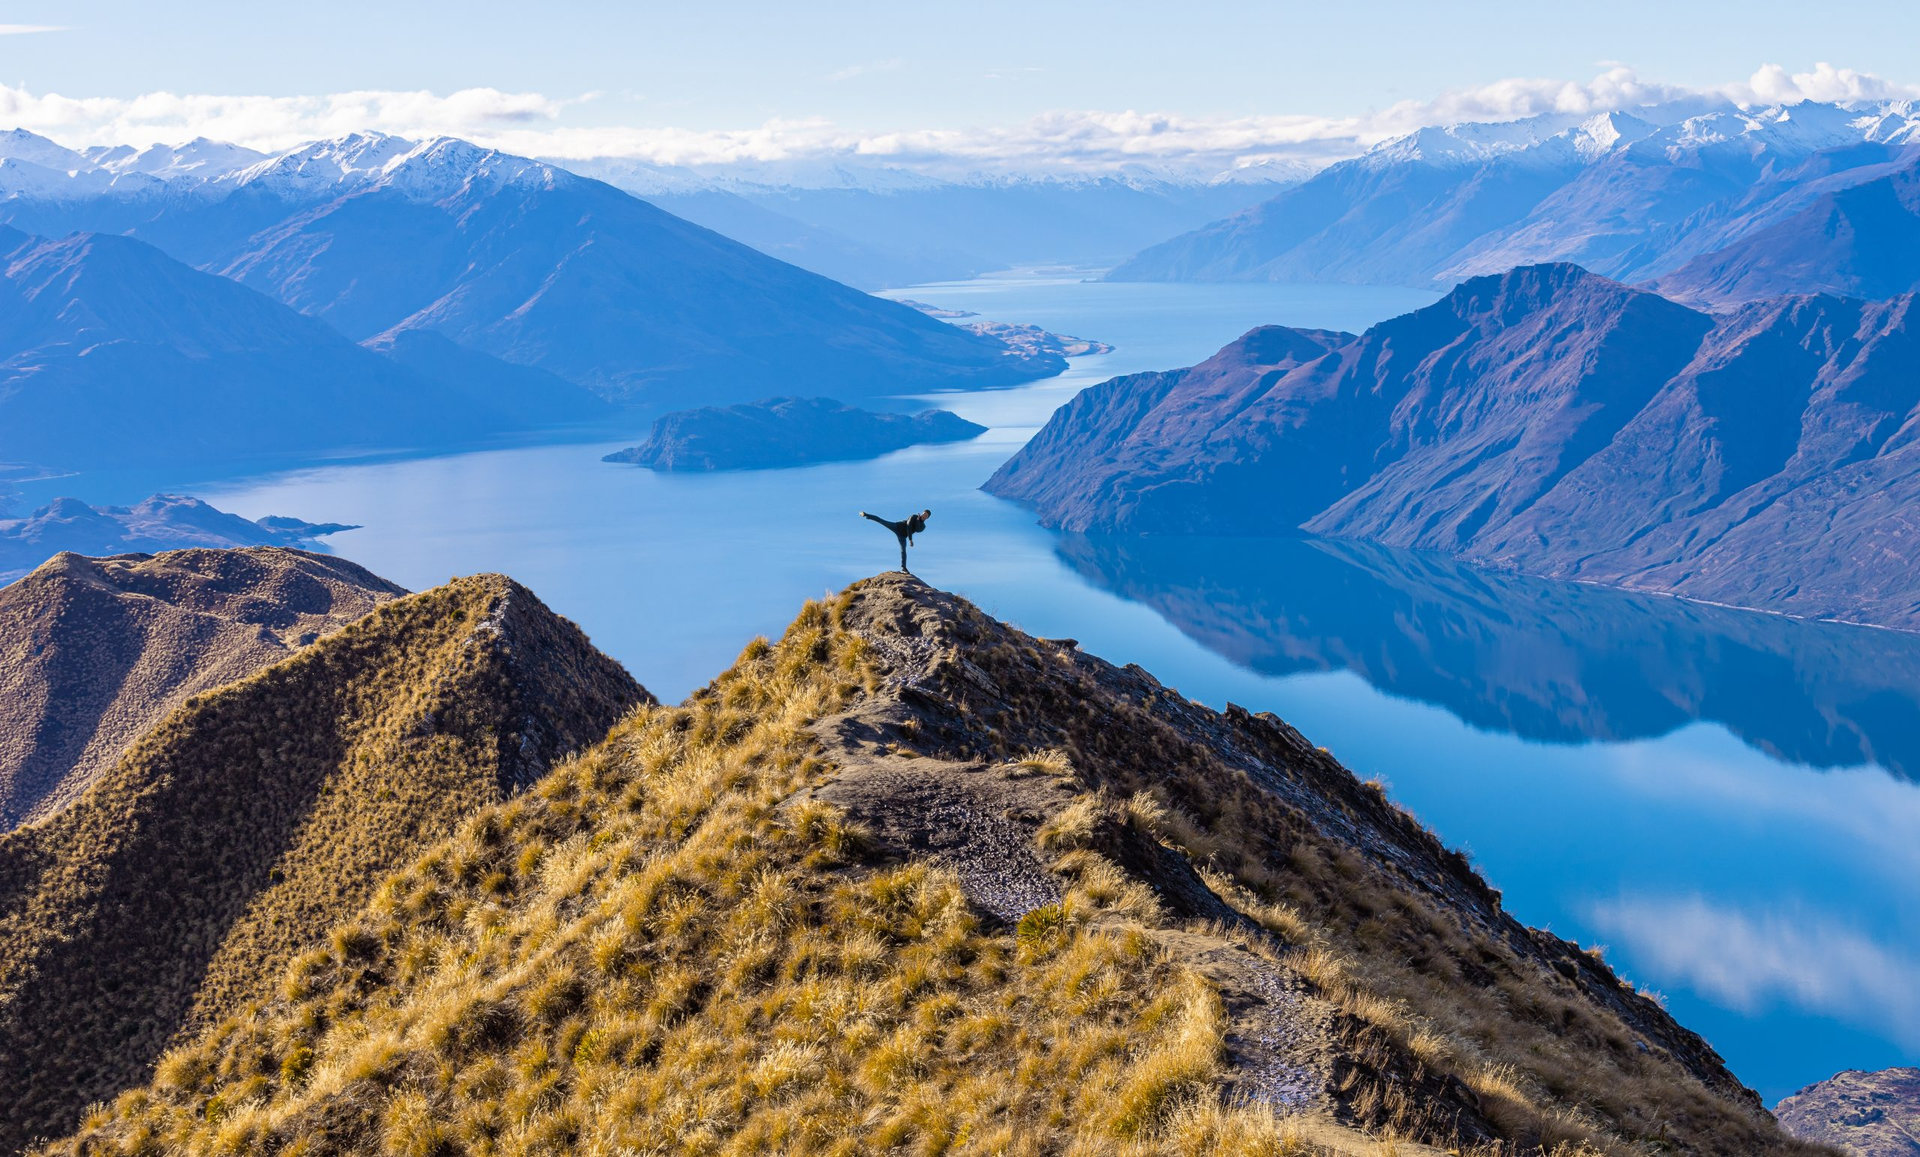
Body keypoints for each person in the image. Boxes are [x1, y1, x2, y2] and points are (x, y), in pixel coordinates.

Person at [860, 509, 931, 573]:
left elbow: (918, 529)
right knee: (882, 521)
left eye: (926, 515)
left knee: (903, 550)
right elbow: (908, 526)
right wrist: (910, 539)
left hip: (902, 536)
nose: (924, 516)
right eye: (923, 514)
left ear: (927, 518)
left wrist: (918, 521)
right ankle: (866, 515)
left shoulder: (923, 526)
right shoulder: (913, 516)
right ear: (922, 513)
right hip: (897, 526)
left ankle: (903, 568)